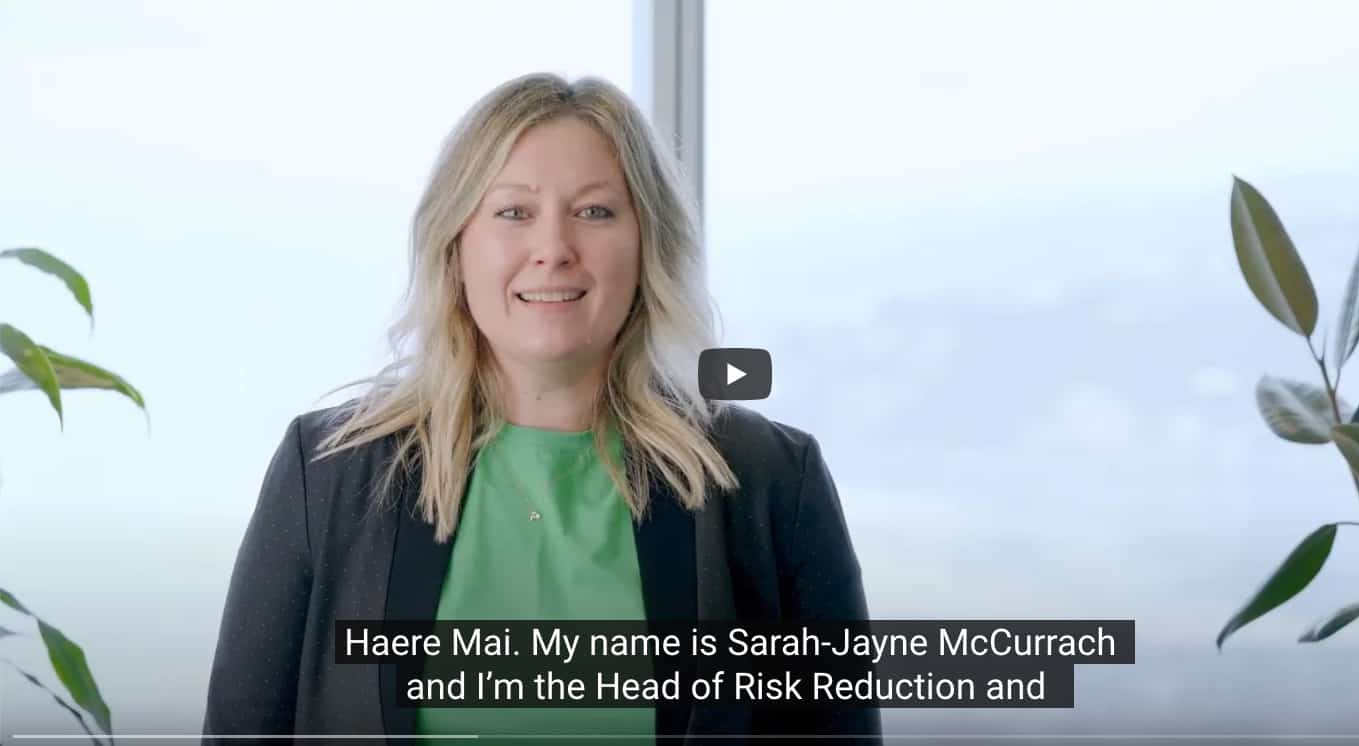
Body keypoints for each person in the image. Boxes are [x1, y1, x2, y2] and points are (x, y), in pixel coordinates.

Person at [201, 72, 879, 743]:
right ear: (455, 246)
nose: (553, 249)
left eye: (594, 211)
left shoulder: (767, 484)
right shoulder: (327, 475)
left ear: (647, 245)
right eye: (513, 212)